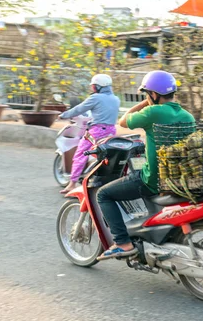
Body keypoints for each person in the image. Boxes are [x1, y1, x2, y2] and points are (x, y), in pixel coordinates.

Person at [96, 70, 194, 260]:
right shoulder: (187, 116)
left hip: (155, 180)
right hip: (180, 177)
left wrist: (145, 102)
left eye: (147, 93)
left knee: (104, 194)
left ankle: (123, 243)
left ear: (153, 94)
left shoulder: (152, 112)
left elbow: (122, 122)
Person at [58, 74, 120, 194]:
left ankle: (72, 184)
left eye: (93, 86)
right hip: (111, 131)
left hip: (96, 131)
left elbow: (79, 109)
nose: (93, 89)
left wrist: (63, 115)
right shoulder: (116, 99)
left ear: (98, 87)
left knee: (80, 154)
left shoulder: (95, 98)